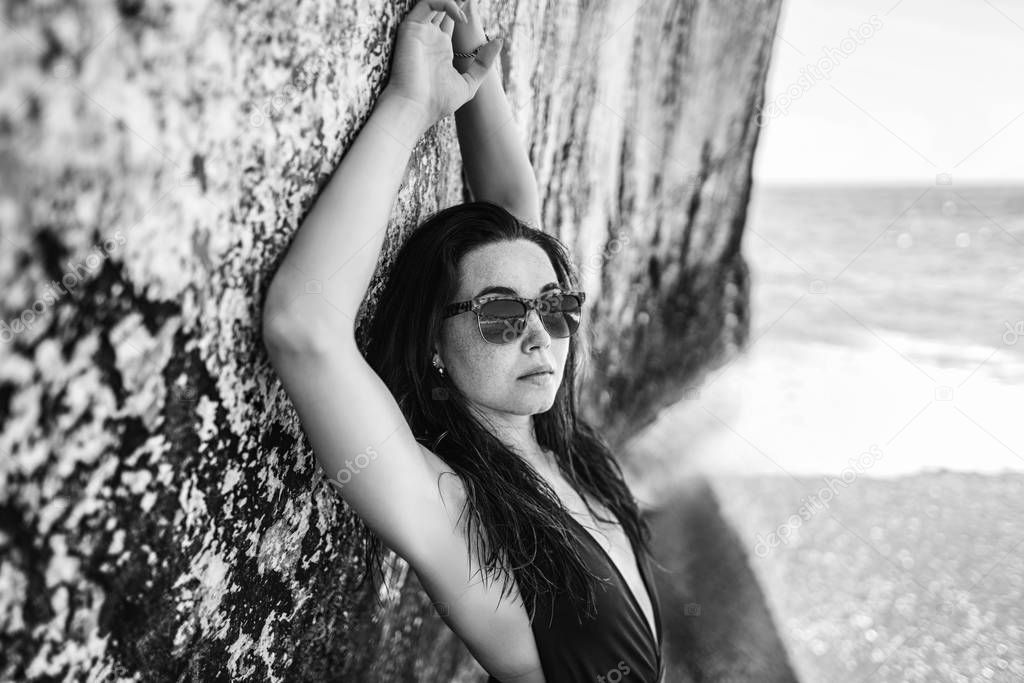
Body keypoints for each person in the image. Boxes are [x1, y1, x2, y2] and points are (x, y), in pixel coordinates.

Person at [261, 1, 664, 680]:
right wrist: (409, 104)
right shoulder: (455, 508)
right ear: (433, 347)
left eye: (556, 307)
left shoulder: (566, 452)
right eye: (500, 314)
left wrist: (477, 69)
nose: (539, 334)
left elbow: (513, 220)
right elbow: (303, 329)